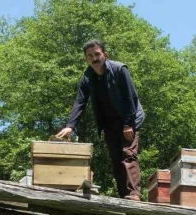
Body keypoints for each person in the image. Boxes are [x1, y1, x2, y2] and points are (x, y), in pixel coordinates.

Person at [56, 39, 145, 201]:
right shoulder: (87, 77)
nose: (94, 58)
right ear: (86, 59)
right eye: (90, 56)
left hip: (129, 119)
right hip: (109, 124)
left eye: (97, 54)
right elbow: (80, 102)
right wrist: (70, 126)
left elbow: (130, 97)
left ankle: (134, 194)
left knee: (128, 154)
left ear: (105, 54)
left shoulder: (120, 69)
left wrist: (128, 124)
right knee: (116, 158)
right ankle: (124, 196)